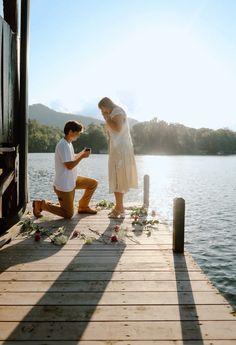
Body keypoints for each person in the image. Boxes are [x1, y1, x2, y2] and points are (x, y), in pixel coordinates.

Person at [32, 120, 98, 219]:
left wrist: (81, 153)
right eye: (78, 133)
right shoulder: (63, 145)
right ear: (71, 131)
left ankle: (83, 206)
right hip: (64, 185)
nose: (78, 136)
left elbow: (71, 158)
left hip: (72, 180)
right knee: (68, 214)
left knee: (93, 183)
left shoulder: (68, 143)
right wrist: (82, 157)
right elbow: (69, 165)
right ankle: (40, 204)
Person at [98, 97, 138, 218]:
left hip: (120, 150)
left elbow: (118, 128)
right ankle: (119, 206)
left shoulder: (117, 112)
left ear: (105, 105)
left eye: (102, 108)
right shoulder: (115, 112)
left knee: (117, 177)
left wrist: (106, 118)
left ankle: (119, 207)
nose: (102, 111)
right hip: (117, 149)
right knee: (117, 177)